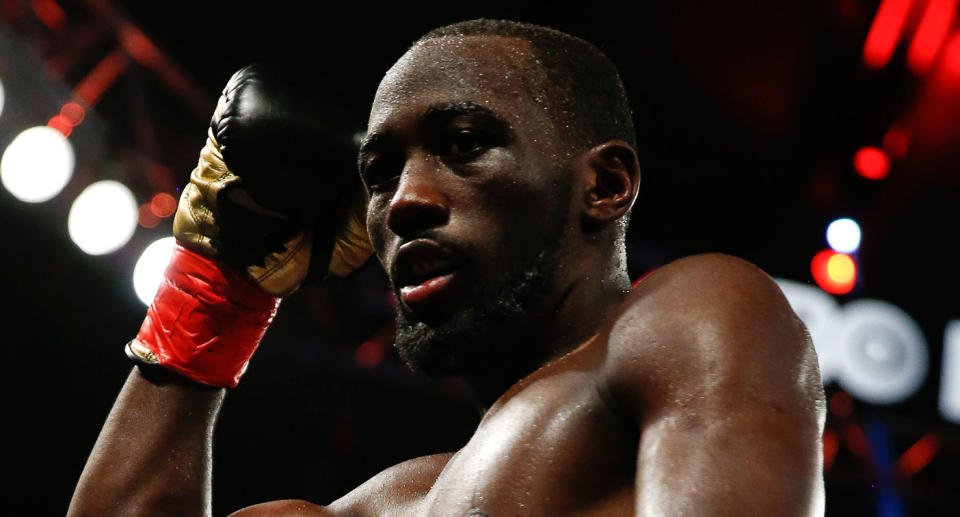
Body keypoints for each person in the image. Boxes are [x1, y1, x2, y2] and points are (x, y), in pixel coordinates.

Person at [68, 19, 826, 516]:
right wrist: (218, 285)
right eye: (378, 173)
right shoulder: (384, 506)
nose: (403, 201)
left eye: (462, 143)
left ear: (605, 184)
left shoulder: (697, 308)